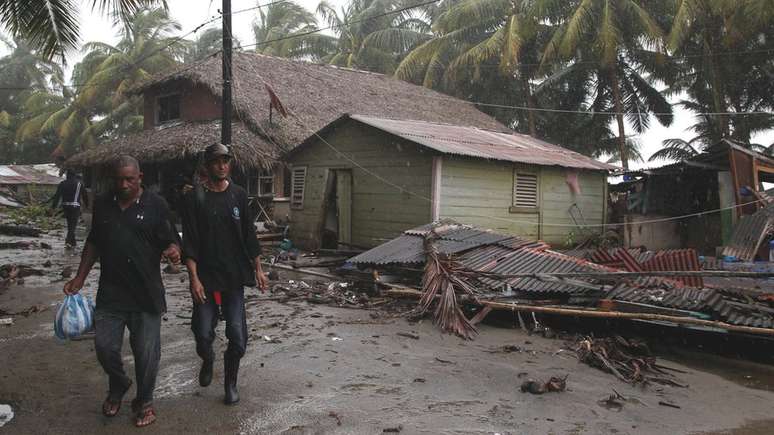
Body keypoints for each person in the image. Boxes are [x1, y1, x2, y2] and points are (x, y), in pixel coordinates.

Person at [63, 156, 181, 428]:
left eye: (130, 178)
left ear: (140, 177)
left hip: (146, 296)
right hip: (111, 294)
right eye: (119, 179)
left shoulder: (156, 205)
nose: (124, 184)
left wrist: (174, 251)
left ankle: (145, 402)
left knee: (147, 355)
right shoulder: (103, 204)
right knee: (104, 347)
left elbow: (172, 240)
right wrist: (80, 277)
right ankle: (118, 382)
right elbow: (94, 242)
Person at [181, 143, 268, 405]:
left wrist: (259, 268)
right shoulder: (195, 198)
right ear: (207, 166)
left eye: (226, 160)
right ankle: (207, 358)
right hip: (206, 278)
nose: (222, 165)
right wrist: (193, 278)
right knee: (203, 332)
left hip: (233, 277)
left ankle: (230, 383)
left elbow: (248, 235)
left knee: (238, 337)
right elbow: (191, 242)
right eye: (217, 161)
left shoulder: (239, 195)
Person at [51, 169, 89, 248]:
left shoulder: (62, 183)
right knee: (73, 225)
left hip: (65, 206)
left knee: (70, 224)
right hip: (75, 206)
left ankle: (73, 241)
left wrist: (53, 207)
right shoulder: (79, 184)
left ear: (67, 175)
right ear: (74, 175)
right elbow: (85, 195)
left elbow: (57, 196)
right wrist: (87, 205)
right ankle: (68, 241)